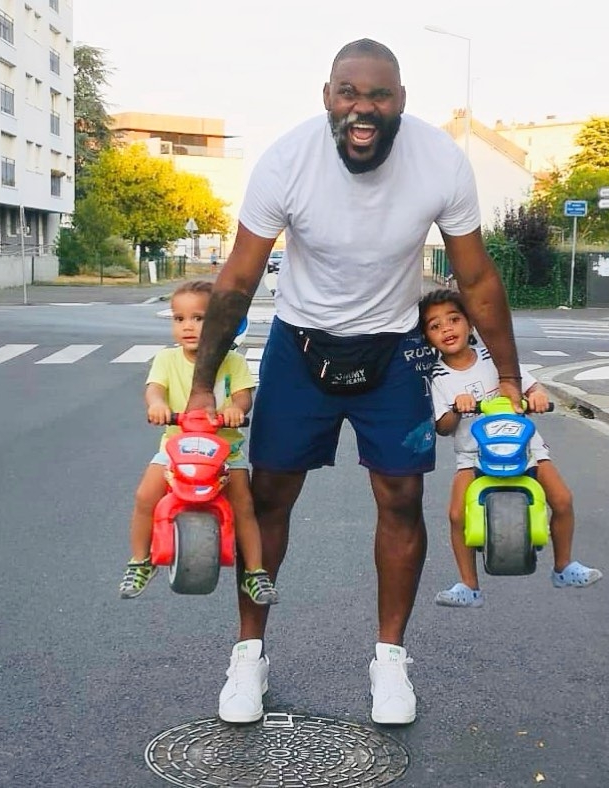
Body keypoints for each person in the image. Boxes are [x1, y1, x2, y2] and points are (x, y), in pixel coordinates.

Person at [186, 39, 524, 726]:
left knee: (402, 498)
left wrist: (510, 376)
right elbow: (238, 281)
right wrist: (200, 388)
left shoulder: (439, 162)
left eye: (378, 95)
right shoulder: (286, 161)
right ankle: (248, 657)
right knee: (268, 497)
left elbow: (478, 277)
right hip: (300, 348)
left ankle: (390, 662)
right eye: (349, 93)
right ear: (327, 97)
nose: (362, 109)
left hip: (394, 353)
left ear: (400, 101)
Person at [419, 289, 603, 608]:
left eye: (453, 319)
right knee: (456, 514)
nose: (446, 329)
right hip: (473, 456)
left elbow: (529, 385)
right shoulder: (437, 375)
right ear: (427, 337)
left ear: (470, 324)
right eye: (435, 326)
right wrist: (456, 409)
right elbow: (443, 426)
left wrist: (538, 396)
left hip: (526, 449)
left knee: (562, 499)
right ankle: (468, 585)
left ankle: (564, 566)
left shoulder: (494, 359)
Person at [118, 279, 278, 607]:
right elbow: (155, 388)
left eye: (199, 318)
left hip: (224, 449)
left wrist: (236, 409)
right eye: (180, 319)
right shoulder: (167, 359)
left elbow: (244, 395)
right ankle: (140, 561)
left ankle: (255, 572)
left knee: (245, 506)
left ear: (219, 324)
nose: (188, 327)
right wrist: (157, 405)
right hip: (176, 445)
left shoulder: (233, 362)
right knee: (145, 495)